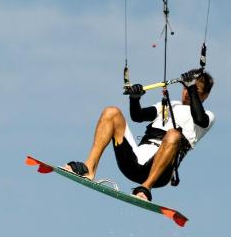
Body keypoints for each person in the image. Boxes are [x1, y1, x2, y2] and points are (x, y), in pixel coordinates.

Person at [64, 69, 215, 201]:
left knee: (174, 135)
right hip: (133, 162)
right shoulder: (171, 104)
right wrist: (134, 99)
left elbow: (200, 119)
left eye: (195, 91)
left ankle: (145, 189)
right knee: (111, 112)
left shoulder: (207, 115)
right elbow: (138, 116)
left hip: (159, 174)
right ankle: (89, 168)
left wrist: (191, 87)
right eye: (185, 89)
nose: (187, 94)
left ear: (205, 95)